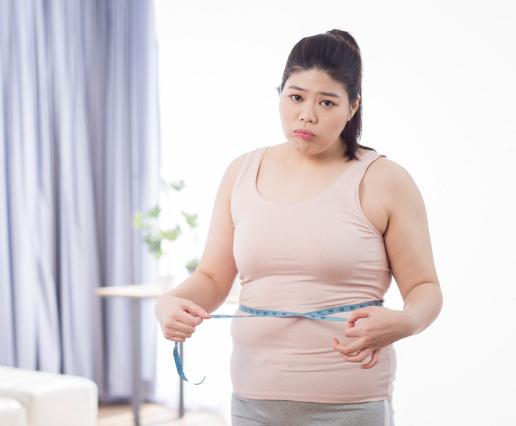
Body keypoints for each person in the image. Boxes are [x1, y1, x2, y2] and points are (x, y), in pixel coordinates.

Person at [154, 29, 443, 426]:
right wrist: (168, 303)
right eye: (296, 97)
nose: (307, 114)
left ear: (353, 106)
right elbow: (212, 278)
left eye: (327, 102)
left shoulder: (384, 180)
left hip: (351, 407)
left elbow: (425, 287)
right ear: (280, 94)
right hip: (252, 402)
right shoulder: (241, 172)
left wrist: (405, 322)